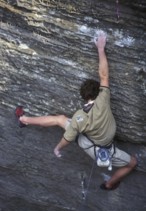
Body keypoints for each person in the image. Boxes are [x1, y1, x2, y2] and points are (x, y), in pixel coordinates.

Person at [16, 31, 137, 190]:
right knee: (132, 163)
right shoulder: (103, 99)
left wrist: (57, 148)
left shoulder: (80, 117)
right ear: (98, 92)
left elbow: (67, 138)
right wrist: (100, 48)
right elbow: (104, 75)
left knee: (60, 119)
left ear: (83, 97)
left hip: (88, 145)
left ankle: (24, 119)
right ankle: (109, 184)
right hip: (106, 149)